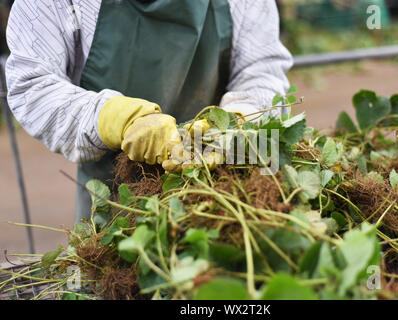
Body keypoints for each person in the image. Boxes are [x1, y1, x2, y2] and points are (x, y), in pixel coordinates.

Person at [5, 0, 293, 221]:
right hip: (116, 202)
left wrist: (239, 119)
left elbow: (260, 70)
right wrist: (114, 119)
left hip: (218, 193)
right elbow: (33, 83)